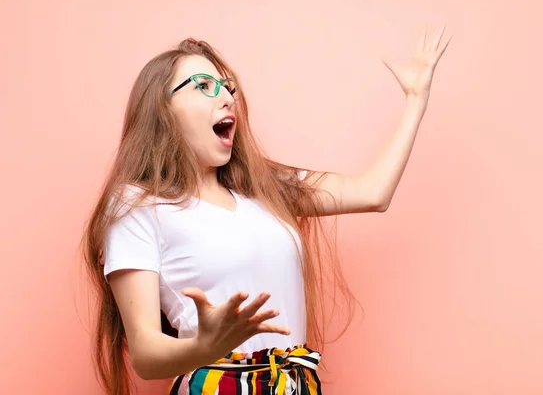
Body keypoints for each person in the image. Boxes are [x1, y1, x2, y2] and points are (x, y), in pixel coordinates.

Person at [81, 24, 451, 395]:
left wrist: (416, 100)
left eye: (228, 87)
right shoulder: (137, 204)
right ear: (162, 108)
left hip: (295, 383)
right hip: (216, 385)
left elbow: (373, 193)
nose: (227, 97)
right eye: (204, 85)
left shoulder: (263, 188)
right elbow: (145, 355)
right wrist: (204, 347)